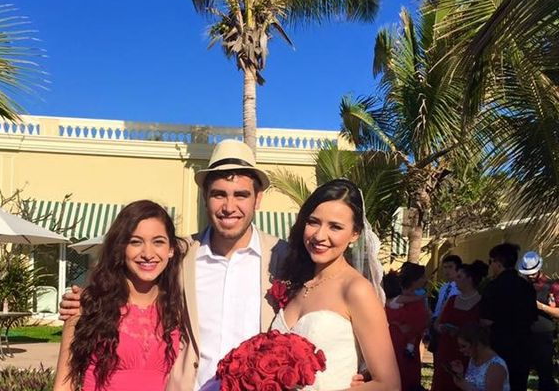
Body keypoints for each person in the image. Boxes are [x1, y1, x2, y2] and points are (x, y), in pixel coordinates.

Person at [59, 140, 366, 390]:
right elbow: (133, 275)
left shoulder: (286, 258)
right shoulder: (178, 255)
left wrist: (346, 377)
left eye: (240, 195)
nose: (229, 206)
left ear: (258, 199)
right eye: (219, 194)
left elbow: (328, 303)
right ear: (205, 196)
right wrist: (84, 299)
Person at [270, 178, 400, 390]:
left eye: (335, 227)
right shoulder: (298, 284)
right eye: (313, 222)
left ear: (355, 234)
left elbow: (389, 384)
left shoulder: (356, 290)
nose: (320, 236)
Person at [53, 200, 187, 391]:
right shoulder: (87, 305)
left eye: (158, 242)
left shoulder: (179, 309)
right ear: (121, 247)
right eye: (135, 242)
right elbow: (64, 384)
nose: (148, 253)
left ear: (171, 249)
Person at [480, 243, 537, 391]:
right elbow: (532, 318)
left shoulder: (493, 287)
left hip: (499, 346)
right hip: (523, 347)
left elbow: (486, 321)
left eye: (490, 261)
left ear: (497, 263)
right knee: (518, 385)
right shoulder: (526, 286)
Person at [431, 260, 488, 391]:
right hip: (446, 349)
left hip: (467, 353)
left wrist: (461, 332)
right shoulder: (452, 300)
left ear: (470, 279)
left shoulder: (481, 302)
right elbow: (437, 322)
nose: (455, 280)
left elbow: (483, 331)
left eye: (459, 277)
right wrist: (441, 327)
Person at [517, 250, 559, 391]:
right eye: (527, 274)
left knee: (545, 373)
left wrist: (540, 306)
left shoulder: (551, 286)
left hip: (543, 334)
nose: (530, 277)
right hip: (523, 333)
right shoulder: (522, 285)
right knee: (520, 372)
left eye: (533, 273)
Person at [385, 262, 430, 391]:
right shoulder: (402, 298)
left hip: (411, 341)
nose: (425, 279)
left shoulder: (411, 297)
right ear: (414, 280)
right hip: (398, 341)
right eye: (422, 277)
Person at [450, 323, 510, 391]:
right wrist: (460, 375)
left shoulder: (496, 366)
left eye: (464, 346)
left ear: (477, 344)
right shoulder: (473, 358)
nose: (461, 350)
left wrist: (466, 387)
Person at [428, 254, 462, 353]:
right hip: (437, 324)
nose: (447, 270)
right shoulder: (444, 288)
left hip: (450, 326)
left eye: (450, 267)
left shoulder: (460, 288)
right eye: (445, 267)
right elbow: (439, 306)